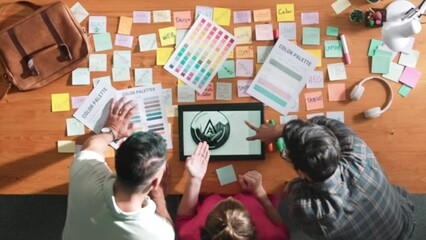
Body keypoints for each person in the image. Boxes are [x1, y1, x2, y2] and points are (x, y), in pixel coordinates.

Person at [245, 116, 415, 240]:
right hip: (402, 227)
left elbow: (289, 190)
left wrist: (278, 130)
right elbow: (323, 122)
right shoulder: (359, 151)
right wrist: (282, 129)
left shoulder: (304, 206)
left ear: (302, 173)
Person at [62, 97, 175, 240]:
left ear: (119, 154)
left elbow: (91, 147)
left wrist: (113, 131)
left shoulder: (86, 170)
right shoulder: (159, 234)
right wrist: (159, 198)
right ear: (155, 183)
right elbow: (168, 227)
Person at [175, 141, 291, 240]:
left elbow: (184, 217)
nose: (230, 197)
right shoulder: (274, 236)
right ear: (252, 227)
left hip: (208, 189)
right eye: (238, 204)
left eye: (222, 203)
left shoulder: (189, 235)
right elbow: (278, 224)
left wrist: (195, 178)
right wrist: (259, 192)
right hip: (254, 192)